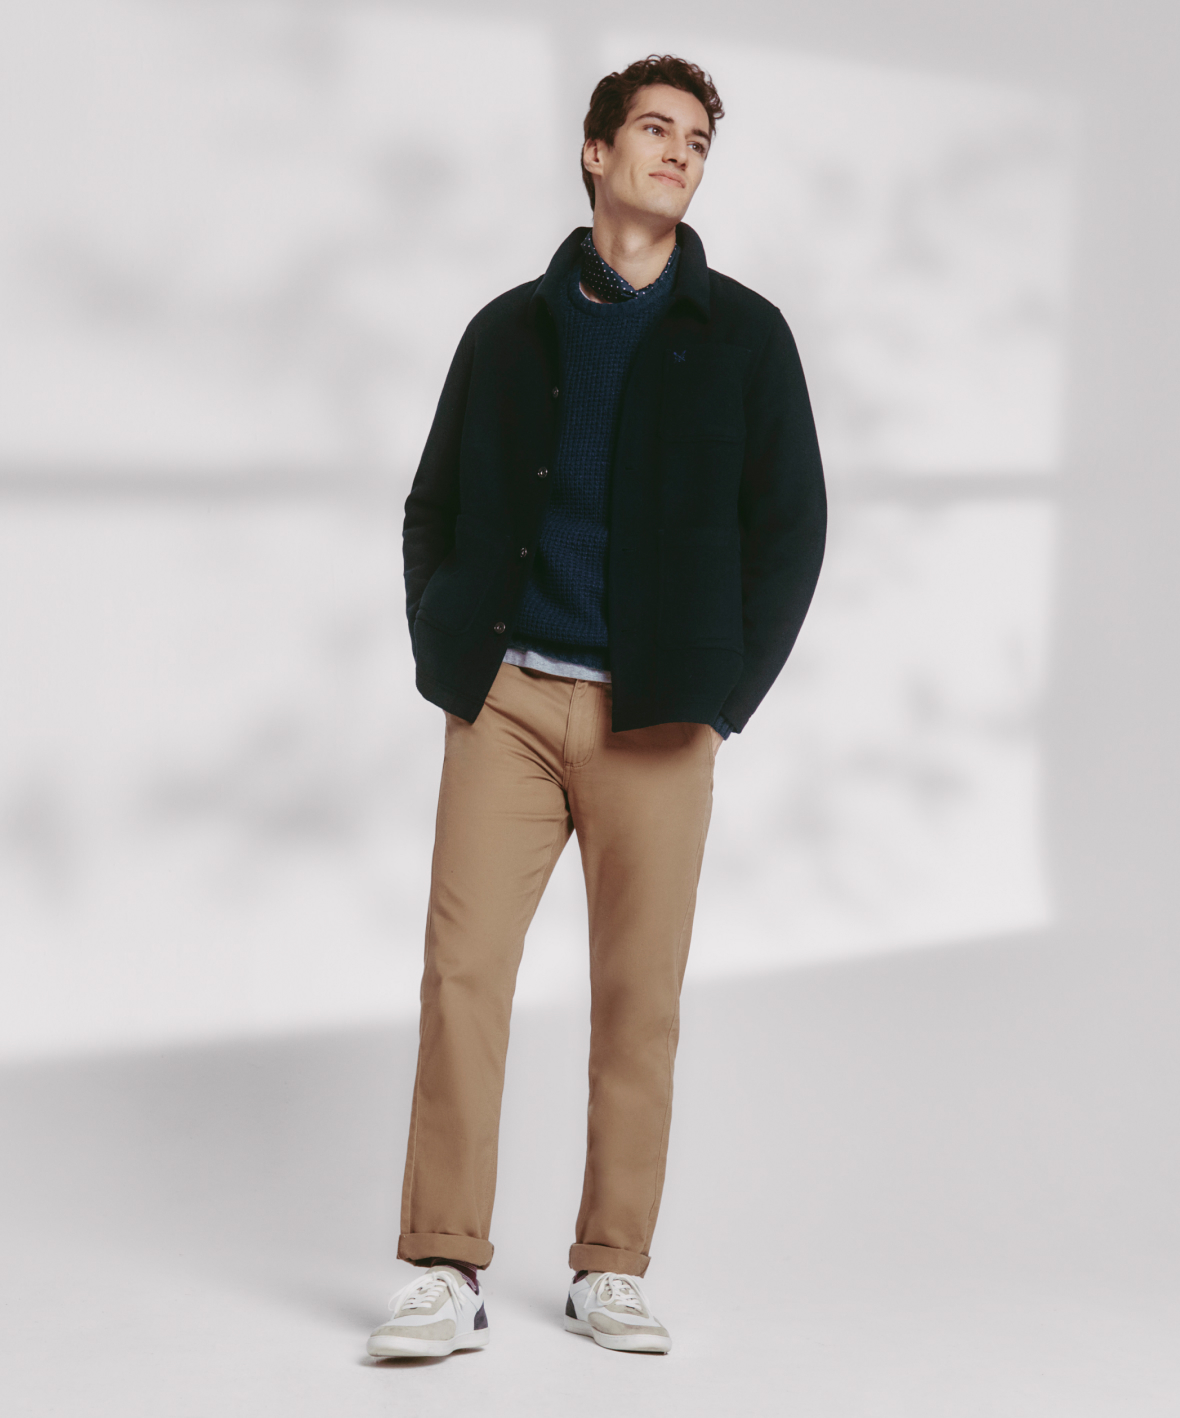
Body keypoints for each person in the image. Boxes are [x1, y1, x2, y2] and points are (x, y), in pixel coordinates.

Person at [367, 53, 825, 1361]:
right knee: (463, 976)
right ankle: (442, 1265)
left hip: (659, 721)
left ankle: (609, 1265)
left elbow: (792, 528)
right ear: (596, 150)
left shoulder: (747, 337)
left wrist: (721, 695)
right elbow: (433, 504)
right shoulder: (508, 330)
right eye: (657, 130)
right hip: (508, 704)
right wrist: (449, 644)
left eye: (699, 141)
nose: (680, 154)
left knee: (639, 998)